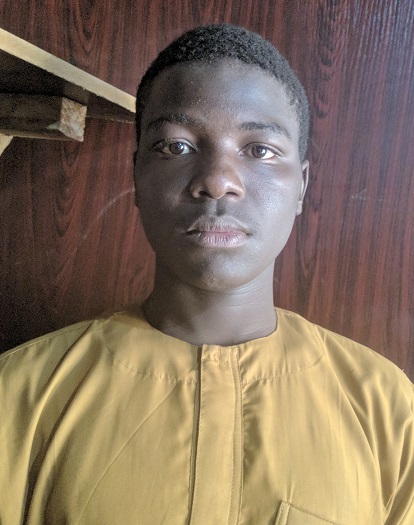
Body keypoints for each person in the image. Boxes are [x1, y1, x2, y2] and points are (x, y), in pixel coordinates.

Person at [0, 24, 413, 525]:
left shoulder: (389, 409)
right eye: (176, 146)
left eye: (259, 149)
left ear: (301, 187)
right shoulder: (20, 397)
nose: (217, 181)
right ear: (137, 176)